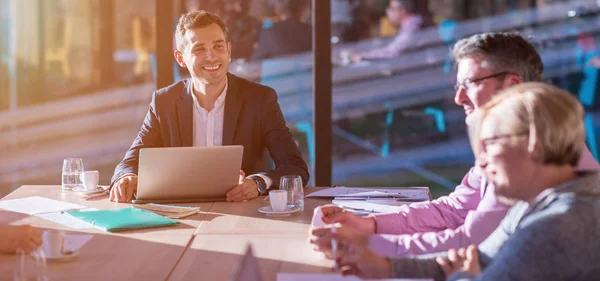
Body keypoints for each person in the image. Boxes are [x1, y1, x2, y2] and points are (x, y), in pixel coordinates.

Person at [309, 32, 600, 257]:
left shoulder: (527, 151)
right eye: (456, 86)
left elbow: (470, 242)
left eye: (470, 84)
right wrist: (369, 225)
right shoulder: (506, 135)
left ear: (512, 84)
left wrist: (368, 244)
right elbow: (455, 210)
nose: (458, 98)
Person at [110, 10, 309, 203]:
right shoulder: (164, 102)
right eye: (199, 49)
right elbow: (129, 163)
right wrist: (125, 178)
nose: (211, 56)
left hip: (242, 214)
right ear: (181, 58)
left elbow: (295, 167)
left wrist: (257, 183)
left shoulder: (259, 99)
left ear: (229, 51)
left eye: (218, 47)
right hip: (182, 216)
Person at [350, 0, 424, 61]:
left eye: (391, 8)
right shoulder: (411, 26)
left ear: (403, 11)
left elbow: (391, 52)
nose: (388, 12)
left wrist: (362, 56)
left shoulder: (411, 29)